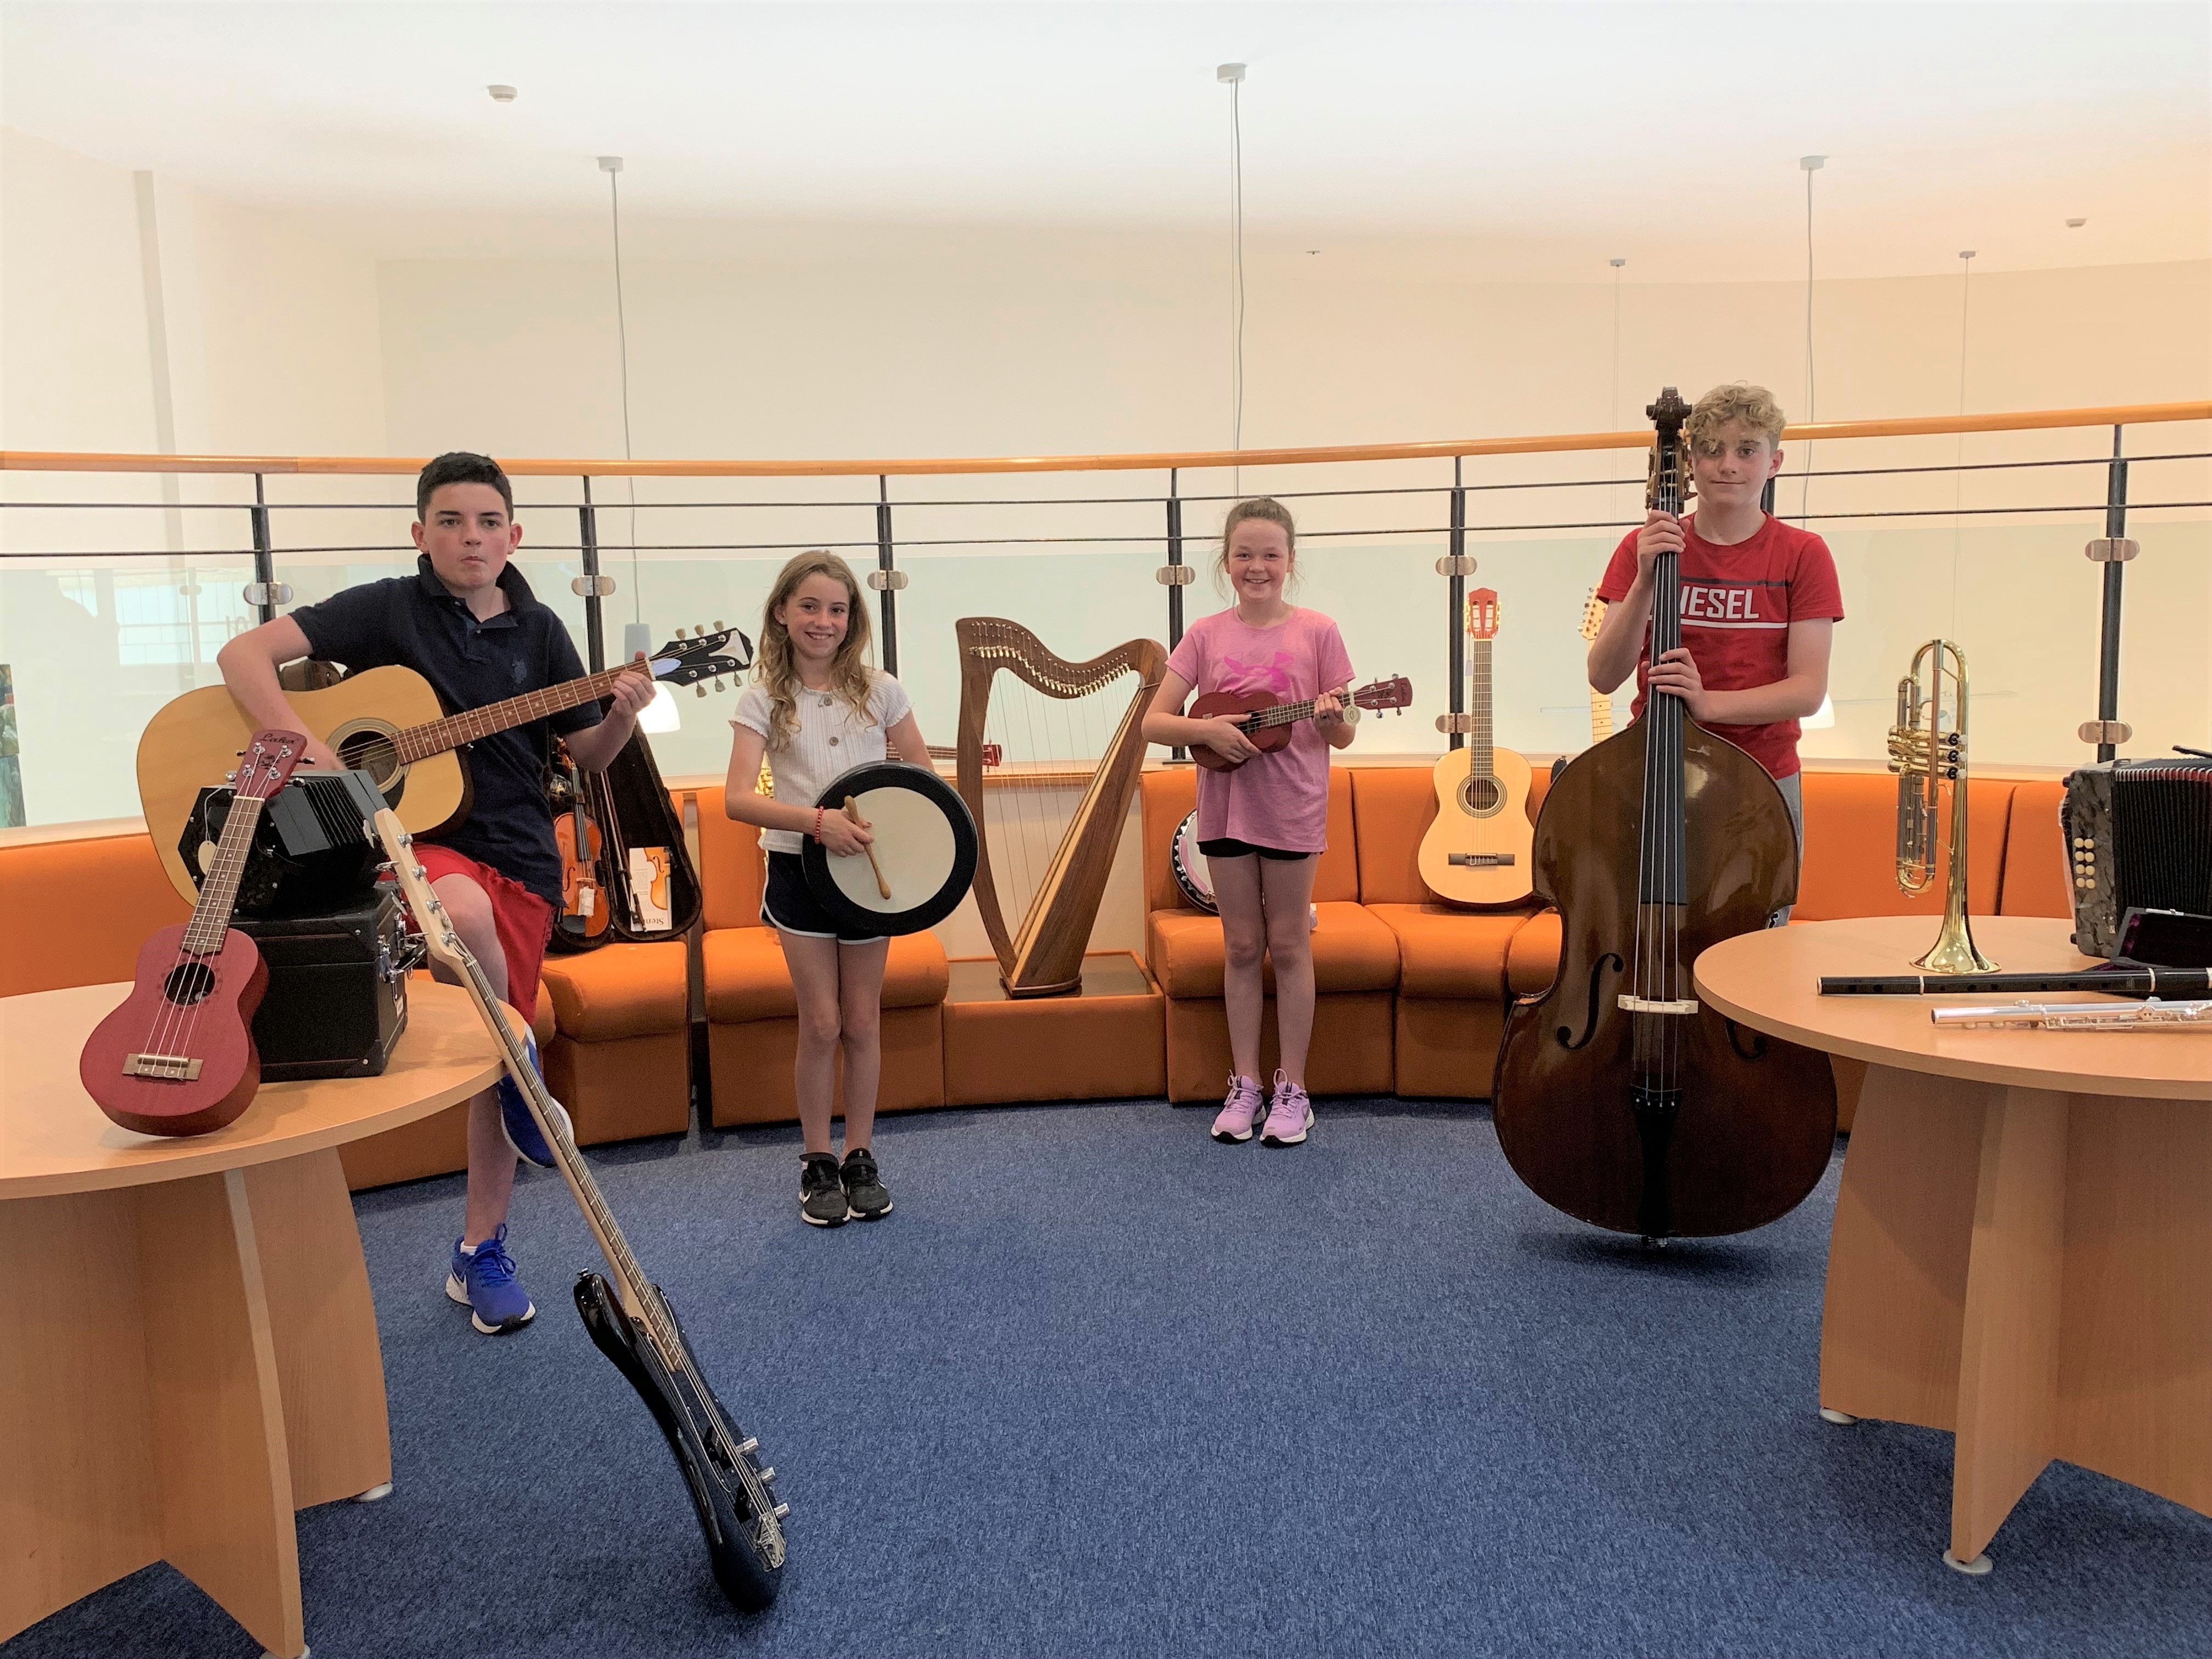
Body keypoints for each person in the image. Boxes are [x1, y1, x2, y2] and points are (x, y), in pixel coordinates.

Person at [216, 452, 654, 1334]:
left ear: (514, 536)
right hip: (420, 844)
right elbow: (244, 654)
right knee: (465, 930)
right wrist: (305, 745)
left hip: (522, 855)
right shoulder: (385, 609)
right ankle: (525, 1073)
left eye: (489, 522)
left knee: (492, 1048)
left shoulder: (542, 635)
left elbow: (591, 759)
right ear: (421, 534)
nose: (471, 538)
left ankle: (479, 1249)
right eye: (451, 521)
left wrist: (622, 712)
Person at [1585, 382, 1844, 921]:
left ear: (1774, 462)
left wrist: (1708, 705)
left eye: (1746, 450)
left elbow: (1807, 690)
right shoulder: (1644, 546)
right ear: (1689, 463)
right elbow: (1604, 675)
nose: (1728, 465)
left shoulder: (1803, 555)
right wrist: (1644, 584)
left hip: (1761, 780)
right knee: (1644, 937)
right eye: (1712, 450)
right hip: (1654, 771)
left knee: (1755, 957)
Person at [723, 550, 929, 1226]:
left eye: (836, 609)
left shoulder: (883, 690)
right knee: (822, 1022)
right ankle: (817, 1161)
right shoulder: (761, 702)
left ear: (853, 618)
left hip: (867, 875)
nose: (823, 621)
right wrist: (818, 823)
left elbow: (923, 782)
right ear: (782, 613)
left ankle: (861, 1153)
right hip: (799, 869)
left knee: (864, 1020)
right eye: (809, 606)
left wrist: (889, 837)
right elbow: (737, 801)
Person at [1141, 498, 1355, 1148]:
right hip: (1224, 810)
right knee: (1239, 947)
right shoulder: (1204, 634)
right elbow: (1155, 722)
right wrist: (1204, 729)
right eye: (1244, 555)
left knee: (1288, 946)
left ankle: (1293, 1089)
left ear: (1290, 561)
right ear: (1226, 562)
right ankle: (1245, 1084)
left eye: (1269, 554)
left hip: (1292, 807)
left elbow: (1344, 732)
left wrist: (1328, 717)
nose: (1256, 566)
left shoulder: (1318, 631)